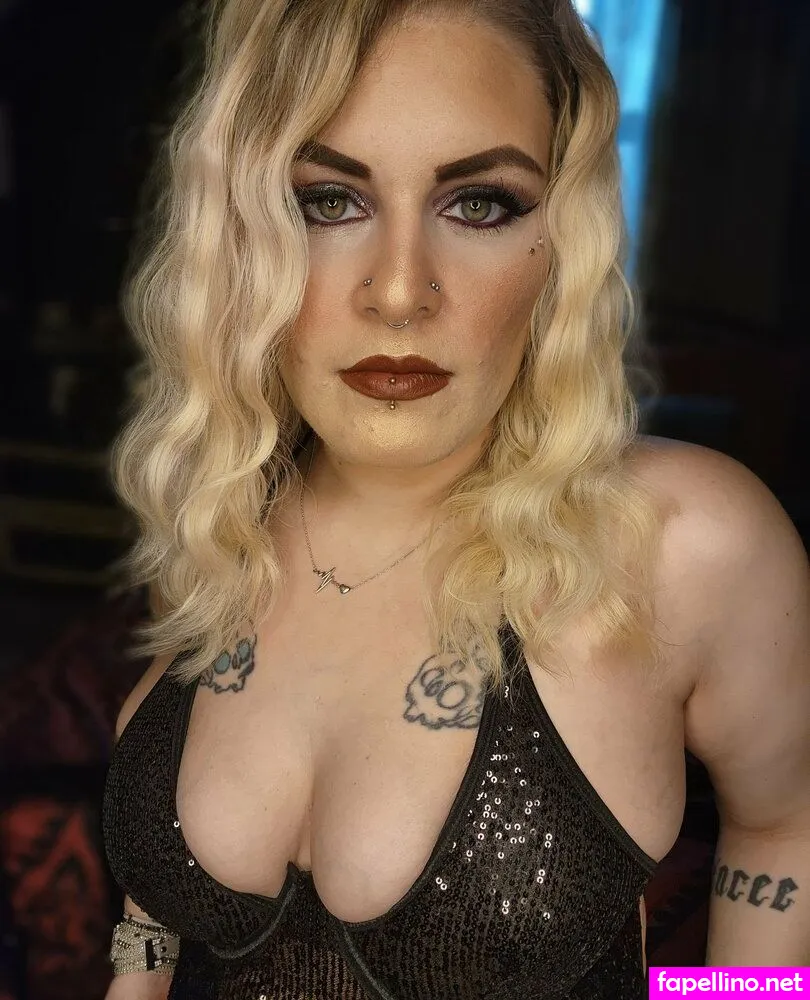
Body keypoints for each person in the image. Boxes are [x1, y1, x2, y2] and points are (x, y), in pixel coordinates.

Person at [101, 0, 810, 997]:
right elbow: (152, 918)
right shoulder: (225, 517)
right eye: (327, 200)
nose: (399, 291)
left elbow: (785, 828)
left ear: (561, 237)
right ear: (243, 237)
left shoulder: (684, 542)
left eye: (479, 204)